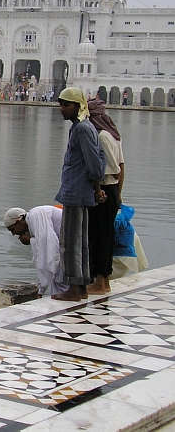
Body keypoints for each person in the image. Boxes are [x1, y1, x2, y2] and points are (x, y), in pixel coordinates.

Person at [53, 87, 106, 301]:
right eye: (61, 105)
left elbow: (94, 162)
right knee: (80, 240)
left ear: (78, 106)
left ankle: (74, 289)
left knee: (71, 241)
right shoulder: (81, 127)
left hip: (77, 191)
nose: (62, 109)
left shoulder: (83, 129)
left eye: (67, 105)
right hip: (77, 189)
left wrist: (97, 189)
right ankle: (82, 287)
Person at [86, 99, 124, 295]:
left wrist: (99, 191)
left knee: (99, 238)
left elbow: (109, 170)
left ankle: (100, 283)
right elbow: (122, 168)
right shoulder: (114, 135)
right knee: (106, 238)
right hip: (112, 191)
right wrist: (119, 195)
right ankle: (104, 281)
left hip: (103, 191)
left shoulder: (101, 136)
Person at [4, 206, 69, 297]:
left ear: (18, 222)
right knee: (58, 281)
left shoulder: (35, 215)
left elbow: (46, 248)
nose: (13, 234)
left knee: (60, 282)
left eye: (12, 229)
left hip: (75, 242)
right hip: (70, 244)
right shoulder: (33, 218)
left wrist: (40, 290)